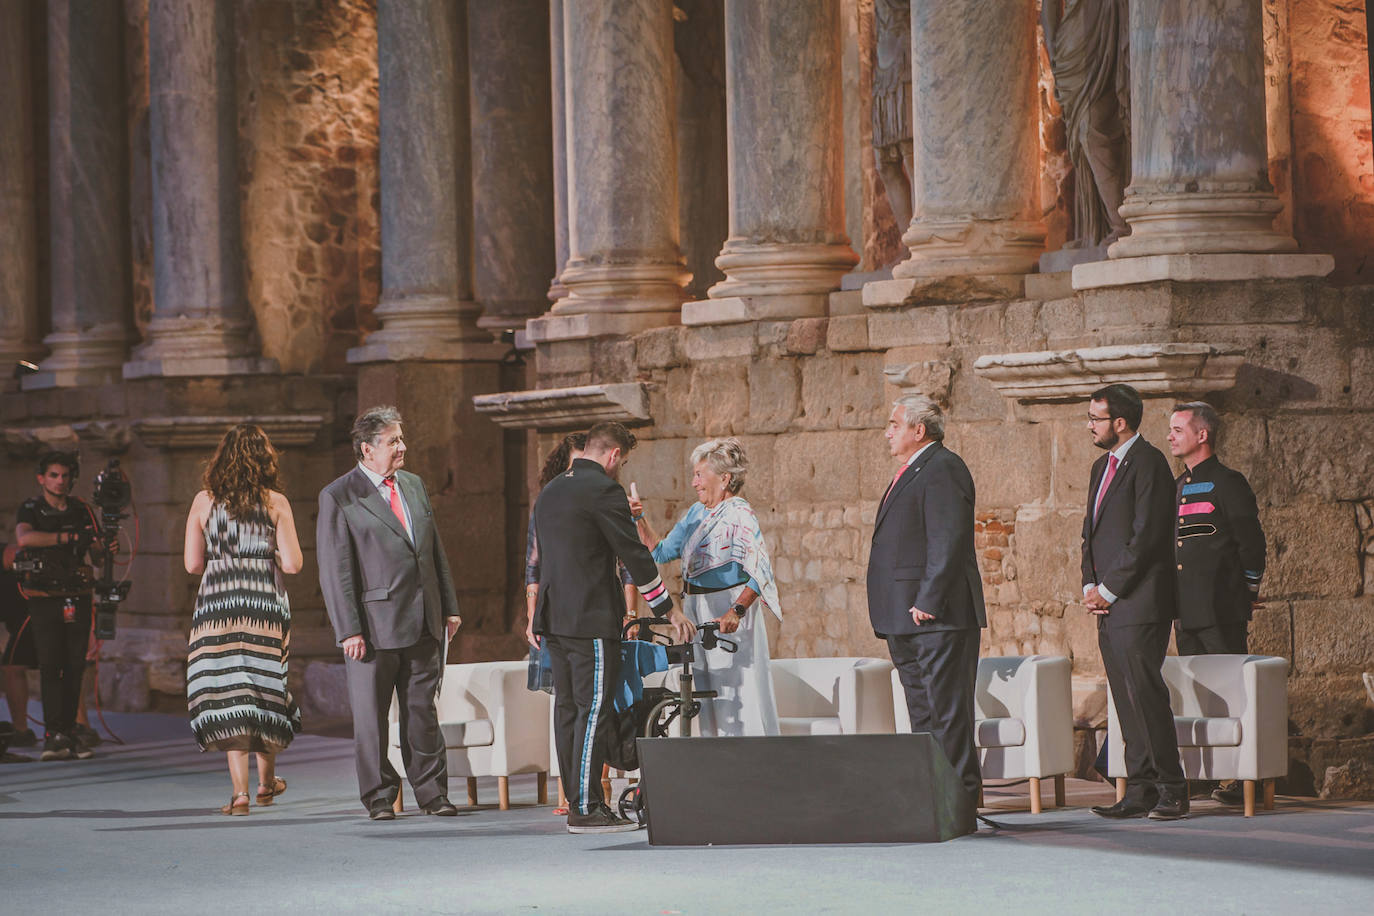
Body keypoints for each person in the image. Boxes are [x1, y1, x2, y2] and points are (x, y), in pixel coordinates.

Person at [532, 421, 694, 834]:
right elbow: (634, 555)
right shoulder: (604, 490)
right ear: (613, 456)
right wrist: (666, 609)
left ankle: (576, 801)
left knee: (568, 710)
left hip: (554, 620)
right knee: (593, 709)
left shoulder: (551, 491)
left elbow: (546, 560)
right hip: (589, 620)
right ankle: (587, 807)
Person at [317, 406, 462, 821]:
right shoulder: (339, 495)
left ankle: (433, 794)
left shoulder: (413, 485)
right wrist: (348, 630)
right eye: (393, 441)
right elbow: (335, 569)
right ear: (367, 449)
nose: (403, 447)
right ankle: (379, 796)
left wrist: (449, 606)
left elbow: (433, 551)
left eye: (402, 438)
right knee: (372, 719)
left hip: (423, 620)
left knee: (423, 714)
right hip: (372, 628)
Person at [867, 395, 985, 816]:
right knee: (922, 711)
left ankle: (961, 802)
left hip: (937, 615)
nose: (888, 432)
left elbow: (947, 539)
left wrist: (929, 599)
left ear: (919, 430)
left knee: (947, 711)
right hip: (903, 616)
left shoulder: (943, 468)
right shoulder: (911, 471)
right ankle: (936, 798)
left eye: (894, 424)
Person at [184, 424, 304, 816]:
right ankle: (267, 784)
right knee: (264, 687)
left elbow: (192, 564)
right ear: (266, 460)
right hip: (263, 604)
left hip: (217, 604)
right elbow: (293, 563)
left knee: (227, 690)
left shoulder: (204, 501)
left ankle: (240, 794)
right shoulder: (276, 502)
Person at [1082, 384, 1188, 820]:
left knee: (1145, 694)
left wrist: (1108, 589)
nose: (1089, 425)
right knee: (1125, 700)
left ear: (1120, 422)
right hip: (1109, 602)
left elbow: (1146, 538)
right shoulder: (1098, 467)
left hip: (1140, 601)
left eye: (1095, 418)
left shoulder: (1149, 463)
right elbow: (1091, 533)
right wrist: (1089, 583)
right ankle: (1140, 787)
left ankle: (1173, 788)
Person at [628, 437, 782, 737]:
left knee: (740, 691)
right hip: (695, 609)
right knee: (706, 688)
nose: (694, 482)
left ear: (724, 478)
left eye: (700, 474)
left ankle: (751, 763)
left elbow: (760, 571)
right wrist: (639, 519)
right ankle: (715, 760)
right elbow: (661, 552)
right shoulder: (696, 514)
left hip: (730, 609)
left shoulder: (741, 515)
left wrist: (736, 610)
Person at [1167, 400, 1266, 807]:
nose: (1170, 436)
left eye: (1178, 429)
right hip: (1185, 610)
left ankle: (1243, 777)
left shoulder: (1228, 482)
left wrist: (1247, 592)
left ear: (1202, 434)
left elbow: (1251, 543)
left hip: (1220, 608)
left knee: (1232, 693)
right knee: (1197, 694)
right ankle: (1206, 774)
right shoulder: (1177, 486)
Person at [14, 451, 109, 762]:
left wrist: (103, 547)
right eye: (54, 475)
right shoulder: (31, 508)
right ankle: (53, 734)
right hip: (43, 598)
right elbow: (25, 539)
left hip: (78, 594)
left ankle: (70, 732)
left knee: (75, 666)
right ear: (42, 478)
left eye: (66, 476)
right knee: (50, 665)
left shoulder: (82, 509)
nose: (60, 481)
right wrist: (67, 537)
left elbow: (96, 554)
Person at [1, 541, 38, 747]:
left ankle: (21, 731)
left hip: (31, 614)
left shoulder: (11, 554)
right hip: (20, 617)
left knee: (12, 666)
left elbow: (16, 552)